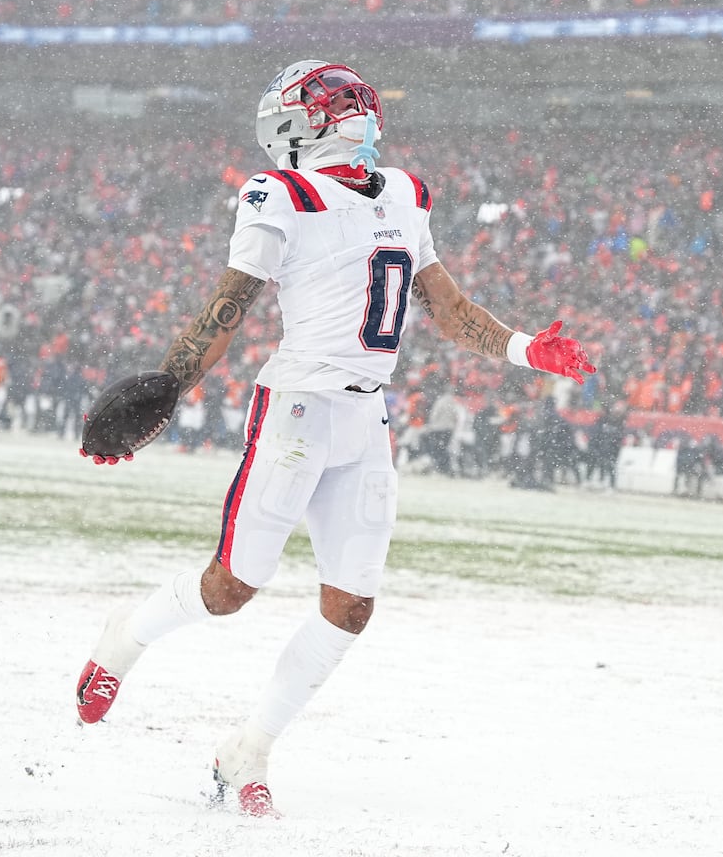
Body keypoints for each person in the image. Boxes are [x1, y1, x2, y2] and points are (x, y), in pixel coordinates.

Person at [72, 60, 596, 816]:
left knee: (351, 606)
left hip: (365, 417)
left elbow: (448, 309)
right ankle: (125, 637)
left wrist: (525, 350)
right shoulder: (278, 194)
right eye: (337, 101)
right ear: (299, 122)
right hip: (297, 408)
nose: (358, 111)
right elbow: (228, 308)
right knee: (230, 590)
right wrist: (167, 386)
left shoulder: (406, 192)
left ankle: (248, 750)